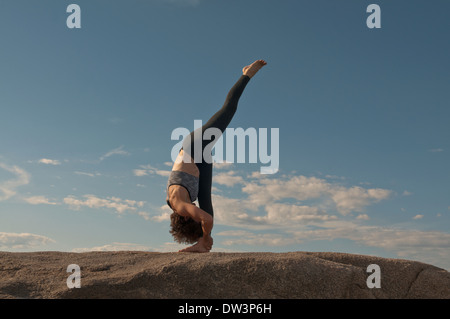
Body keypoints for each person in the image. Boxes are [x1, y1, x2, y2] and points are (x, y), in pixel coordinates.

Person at [166, 59, 267, 253]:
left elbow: (206, 219)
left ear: (187, 218)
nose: (197, 213)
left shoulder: (180, 206)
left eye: (195, 216)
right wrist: (203, 237)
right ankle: (202, 244)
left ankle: (246, 74)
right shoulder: (180, 204)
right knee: (207, 203)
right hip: (200, 163)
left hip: (193, 148)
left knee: (228, 110)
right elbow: (206, 215)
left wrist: (205, 236)